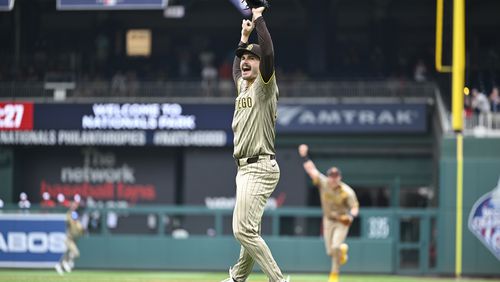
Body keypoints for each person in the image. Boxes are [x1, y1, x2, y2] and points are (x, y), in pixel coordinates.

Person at [222, 6, 289, 282]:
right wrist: (243, 36)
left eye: (252, 57)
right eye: (244, 57)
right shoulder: (245, 86)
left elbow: (269, 52)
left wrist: (259, 17)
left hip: (259, 165)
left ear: (262, 66)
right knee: (250, 230)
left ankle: (278, 280)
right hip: (246, 168)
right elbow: (237, 73)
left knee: (242, 230)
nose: (246, 61)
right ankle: (238, 278)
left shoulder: (264, 85)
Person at [298, 144, 359, 282]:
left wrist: (351, 216)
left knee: (336, 246)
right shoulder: (324, 183)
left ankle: (334, 276)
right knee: (331, 251)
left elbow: (355, 207)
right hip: (328, 219)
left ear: (340, 177)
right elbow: (311, 170)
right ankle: (342, 251)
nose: (333, 178)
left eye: (336, 176)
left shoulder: (346, 191)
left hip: (342, 221)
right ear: (328, 176)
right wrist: (304, 156)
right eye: (331, 175)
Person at [55, 201, 84, 275]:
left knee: (67, 253)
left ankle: (60, 265)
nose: (75, 206)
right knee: (75, 253)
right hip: (69, 238)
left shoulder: (75, 214)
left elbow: (78, 225)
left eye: (75, 205)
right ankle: (67, 263)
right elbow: (70, 222)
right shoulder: (69, 214)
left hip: (73, 238)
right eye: (73, 205)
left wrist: (80, 229)